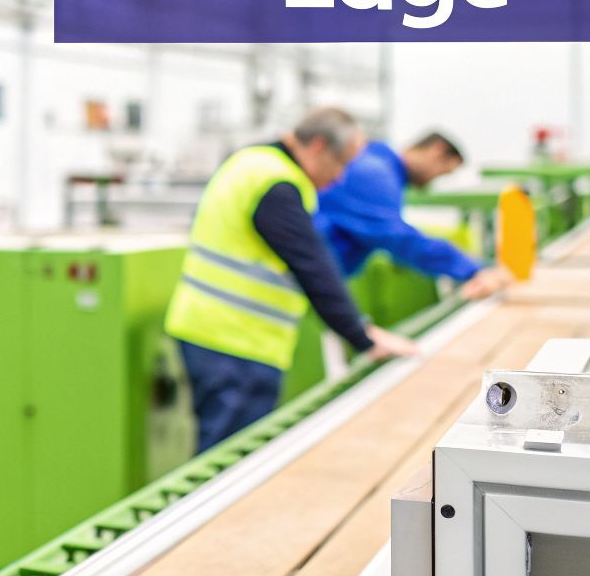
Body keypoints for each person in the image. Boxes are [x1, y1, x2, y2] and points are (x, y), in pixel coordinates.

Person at [165, 106, 419, 451]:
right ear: (317, 146)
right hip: (235, 343)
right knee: (228, 462)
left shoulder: (250, 162)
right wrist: (363, 337)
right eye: (341, 162)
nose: (340, 177)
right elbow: (312, 265)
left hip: (214, 333)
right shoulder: (276, 184)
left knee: (226, 453)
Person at [314, 132, 514, 300]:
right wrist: (473, 270)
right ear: (437, 151)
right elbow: (398, 238)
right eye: (443, 171)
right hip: (303, 277)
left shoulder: (379, 167)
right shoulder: (374, 172)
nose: (435, 179)